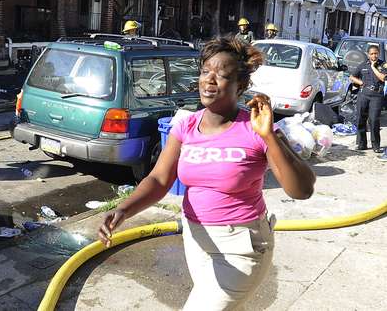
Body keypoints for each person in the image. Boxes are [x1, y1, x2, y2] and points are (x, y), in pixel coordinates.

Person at [99, 37, 315, 310]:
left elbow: (302, 189)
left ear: (241, 86)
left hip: (241, 246)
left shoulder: (256, 128)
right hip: (196, 239)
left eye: (222, 75)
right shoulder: (186, 125)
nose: (209, 80)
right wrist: (124, 209)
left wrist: (270, 136)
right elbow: (159, 179)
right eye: (205, 72)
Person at [350, 45, 386, 153]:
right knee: (360, 119)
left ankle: (376, 146)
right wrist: (360, 82)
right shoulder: (362, 65)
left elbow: (383, 78)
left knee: (374, 120)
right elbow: (352, 76)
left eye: (376, 53)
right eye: (372, 53)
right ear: (368, 54)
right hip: (363, 95)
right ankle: (362, 144)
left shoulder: (383, 65)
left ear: (378, 53)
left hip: (376, 96)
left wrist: (374, 67)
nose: (374, 55)